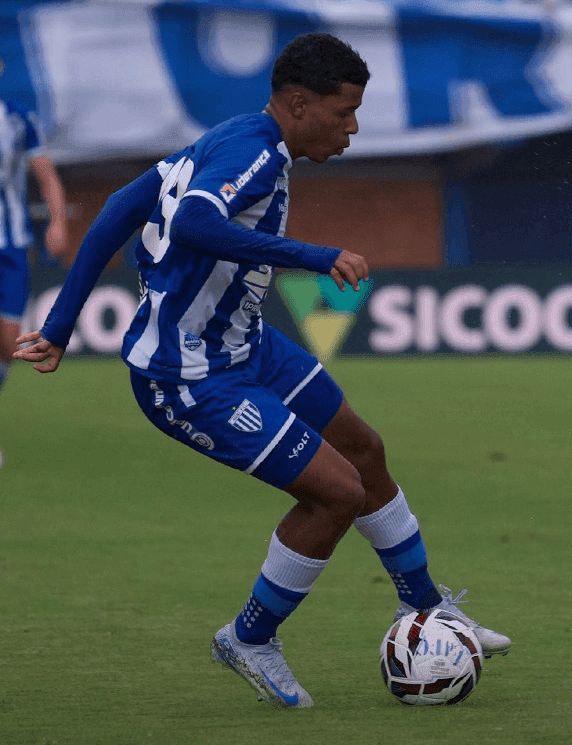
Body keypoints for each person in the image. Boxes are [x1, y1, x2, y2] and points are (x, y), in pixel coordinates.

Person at [15, 33, 511, 709]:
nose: (353, 128)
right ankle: (249, 636)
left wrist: (63, 323)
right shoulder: (252, 151)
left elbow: (117, 212)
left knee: (364, 450)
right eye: (344, 112)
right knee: (336, 492)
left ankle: (427, 609)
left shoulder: (232, 137)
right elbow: (191, 223)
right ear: (300, 104)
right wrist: (313, 255)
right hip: (188, 374)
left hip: (245, 344)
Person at [0, 92, 69, 466]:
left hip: (11, 246)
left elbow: (46, 175)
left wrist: (57, 221)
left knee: (8, 341)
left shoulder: (16, 119)